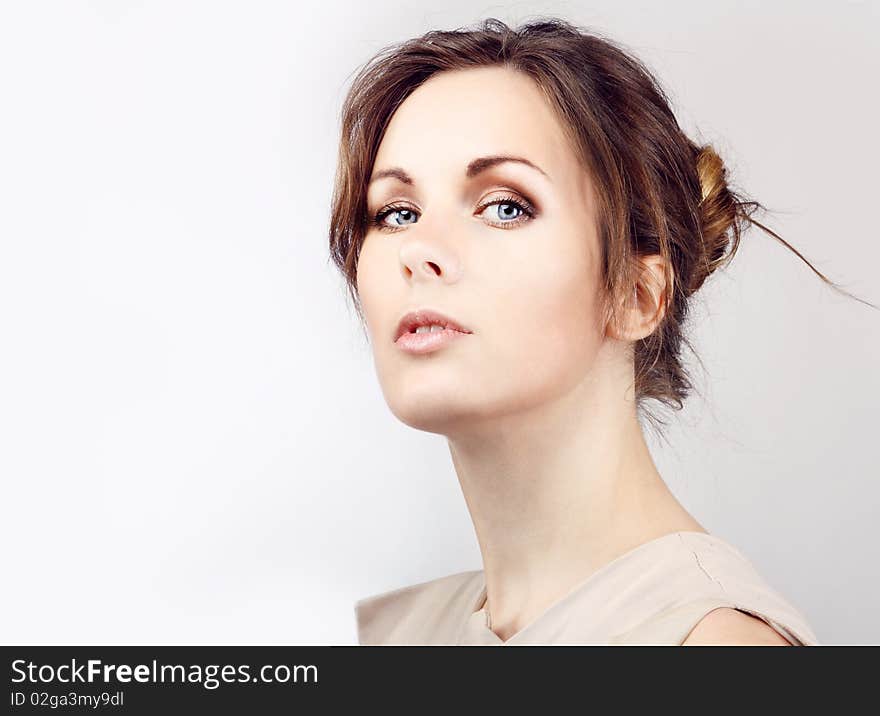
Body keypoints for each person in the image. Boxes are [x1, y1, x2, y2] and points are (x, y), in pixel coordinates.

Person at [328, 17, 870, 645]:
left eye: (505, 206)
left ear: (638, 295)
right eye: (396, 212)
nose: (419, 250)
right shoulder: (408, 637)